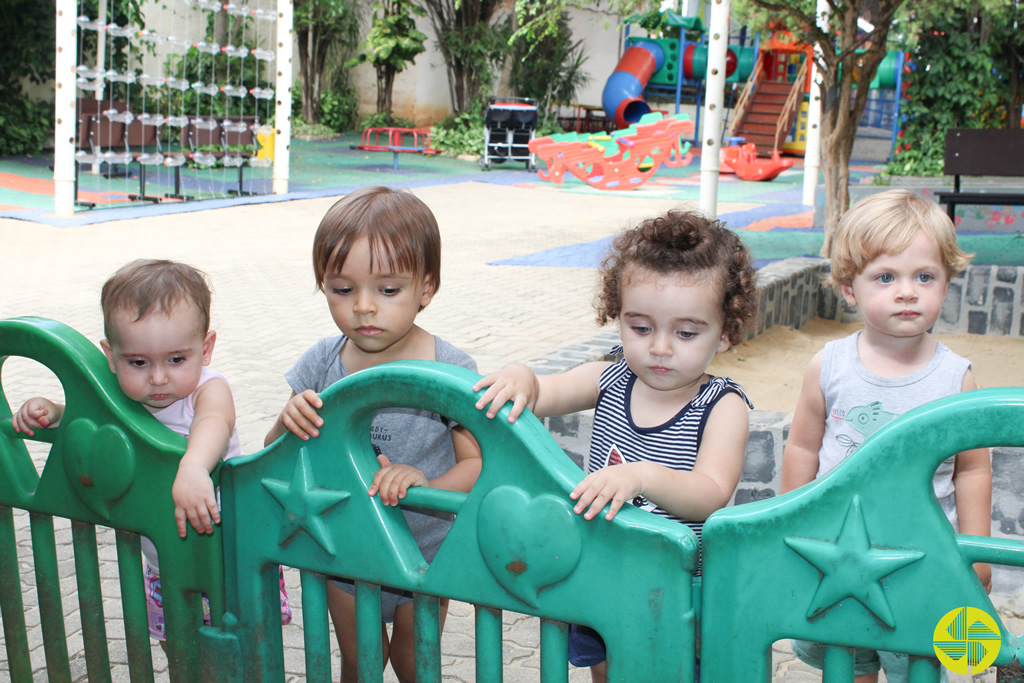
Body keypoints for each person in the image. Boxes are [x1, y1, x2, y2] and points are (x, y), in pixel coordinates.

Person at [472, 210, 759, 682]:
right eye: (640, 327)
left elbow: (710, 492)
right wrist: (522, 376)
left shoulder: (722, 404)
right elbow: (543, 392)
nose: (660, 347)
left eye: (686, 333)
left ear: (724, 332)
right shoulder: (610, 379)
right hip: (602, 572)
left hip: (679, 585)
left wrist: (641, 476)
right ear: (618, 316)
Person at [265, 185, 482, 683]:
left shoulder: (450, 369)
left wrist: (421, 482)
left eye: (387, 290)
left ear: (426, 288)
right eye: (343, 290)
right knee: (362, 663)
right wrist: (288, 418)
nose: (363, 307)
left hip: (423, 553)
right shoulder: (322, 361)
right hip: (344, 547)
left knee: (413, 664)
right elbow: (275, 454)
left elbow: (476, 466)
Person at [12, 259, 291, 641]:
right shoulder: (121, 396)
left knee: (245, 650)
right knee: (178, 646)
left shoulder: (207, 390)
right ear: (110, 355)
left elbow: (215, 423)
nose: (158, 378)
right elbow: (90, 424)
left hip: (227, 556)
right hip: (163, 561)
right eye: (138, 362)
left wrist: (194, 466)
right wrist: (54, 413)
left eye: (177, 359)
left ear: (205, 348)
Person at [780, 189, 992, 683]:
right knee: (848, 661)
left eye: (924, 277)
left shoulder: (954, 377)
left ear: (946, 282)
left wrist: (976, 550)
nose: (907, 291)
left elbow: (973, 467)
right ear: (850, 288)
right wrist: (787, 525)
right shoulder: (829, 366)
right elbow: (803, 447)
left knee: (917, 663)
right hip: (839, 555)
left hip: (924, 560)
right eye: (885, 277)